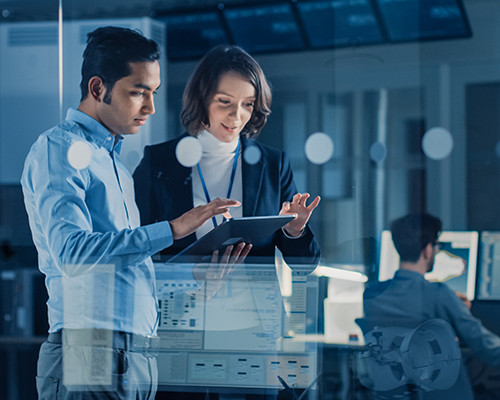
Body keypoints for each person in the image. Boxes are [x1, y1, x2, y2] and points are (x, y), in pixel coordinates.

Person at [21, 26, 246, 400]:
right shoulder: (58, 150)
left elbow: (121, 268)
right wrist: (172, 229)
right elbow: (73, 253)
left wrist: (193, 279)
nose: (150, 107)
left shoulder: (115, 165)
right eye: (138, 92)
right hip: (90, 348)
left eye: (153, 93)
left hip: (135, 353)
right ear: (98, 89)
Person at [133, 44, 321, 266]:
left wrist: (294, 230)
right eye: (224, 101)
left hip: (255, 299)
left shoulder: (273, 165)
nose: (237, 115)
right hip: (183, 299)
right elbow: (134, 247)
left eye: (248, 104)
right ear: (202, 99)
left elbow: (305, 266)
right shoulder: (159, 162)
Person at [361, 213, 500, 399]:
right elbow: (481, 341)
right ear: (427, 250)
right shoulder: (439, 295)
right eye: (436, 245)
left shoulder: (372, 295)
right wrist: (457, 314)